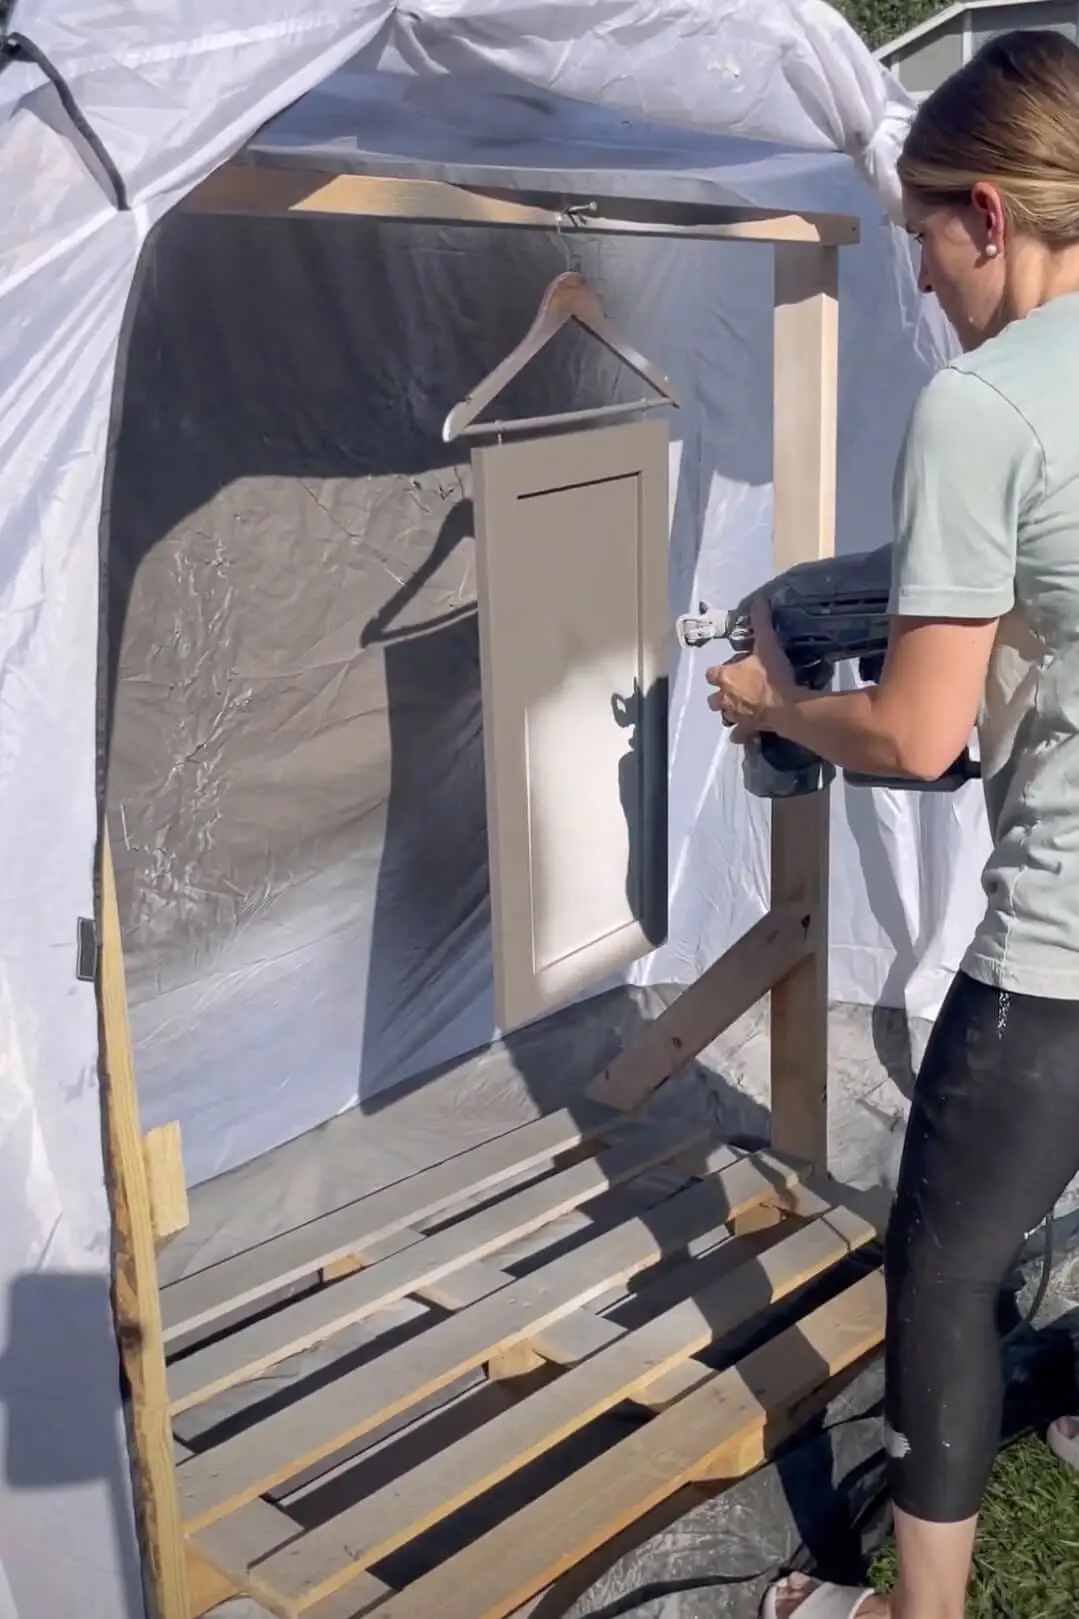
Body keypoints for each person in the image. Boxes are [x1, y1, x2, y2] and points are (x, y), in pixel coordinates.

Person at [706, 29, 1079, 1619]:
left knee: (937, 1278)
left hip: (1066, 948)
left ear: (986, 215)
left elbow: (919, 736)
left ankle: (914, 1613)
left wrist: (771, 707)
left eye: (924, 232)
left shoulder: (987, 403)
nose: (919, 277)